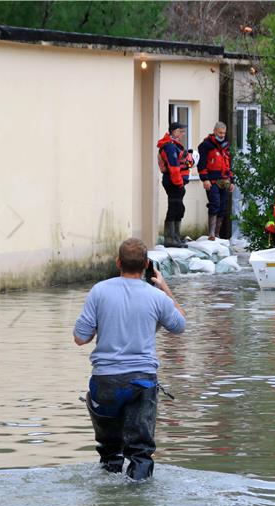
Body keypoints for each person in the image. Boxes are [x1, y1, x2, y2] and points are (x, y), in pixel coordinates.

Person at [74, 238, 185, 481]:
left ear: (118, 263)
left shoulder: (99, 291)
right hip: (141, 384)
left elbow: (80, 338)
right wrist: (164, 286)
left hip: (105, 383)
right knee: (141, 453)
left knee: (110, 452)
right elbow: (179, 325)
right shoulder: (156, 297)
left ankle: (108, 500)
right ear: (147, 264)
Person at [157, 122, 195, 247]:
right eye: (181, 131)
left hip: (176, 182)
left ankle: (176, 238)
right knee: (174, 208)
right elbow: (173, 167)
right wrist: (179, 184)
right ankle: (170, 239)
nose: (183, 134)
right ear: (174, 131)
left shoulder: (174, 145)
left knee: (179, 209)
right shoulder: (169, 147)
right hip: (173, 182)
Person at [198, 121, 234, 240]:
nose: (222, 135)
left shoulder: (226, 146)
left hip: (225, 180)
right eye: (220, 133)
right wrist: (205, 179)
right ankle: (211, 234)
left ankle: (217, 233)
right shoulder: (206, 145)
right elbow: (201, 164)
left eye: (224, 133)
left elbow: (229, 164)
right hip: (212, 180)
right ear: (214, 131)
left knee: (223, 207)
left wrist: (231, 180)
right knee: (215, 204)